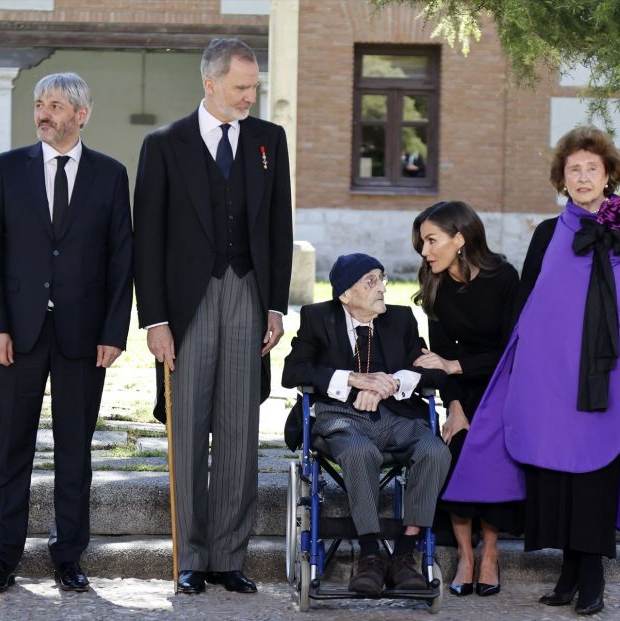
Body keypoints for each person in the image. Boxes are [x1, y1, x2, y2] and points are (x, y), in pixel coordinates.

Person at [442, 127, 620, 615]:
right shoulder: (547, 234)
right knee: (557, 471)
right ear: (562, 180)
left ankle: (592, 575)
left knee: (596, 470)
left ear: (608, 176)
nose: (583, 177)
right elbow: (524, 307)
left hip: (605, 375)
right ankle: (568, 572)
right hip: (548, 375)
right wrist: (511, 369)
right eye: (573, 170)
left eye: (592, 169)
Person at [133, 38, 293, 595]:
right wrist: (155, 320)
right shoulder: (164, 144)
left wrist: (275, 305)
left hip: (247, 293)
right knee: (186, 428)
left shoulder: (270, 140)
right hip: (187, 306)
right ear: (210, 83)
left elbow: (279, 228)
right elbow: (147, 240)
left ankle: (228, 557)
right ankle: (190, 557)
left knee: (238, 430)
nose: (250, 97)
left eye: (254, 87)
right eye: (241, 87)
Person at [0, 72, 133, 593]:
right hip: (17, 335)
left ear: (81, 115)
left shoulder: (110, 175)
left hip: (83, 337)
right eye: (39, 104)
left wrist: (113, 332)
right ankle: (3, 558)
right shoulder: (7, 168)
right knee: (11, 448)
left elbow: (121, 259)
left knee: (74, 450)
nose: (43, 114)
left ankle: (68, 556)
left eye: (55, 106)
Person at [281, 254, 451, 596]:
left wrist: (391, 382)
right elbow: (293, 371)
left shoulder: (400, 319)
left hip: (396, 417)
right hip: (341, 418)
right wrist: (354, 379)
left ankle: (404, 555)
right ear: (345, 294)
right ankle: (370, 556)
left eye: (382, 279)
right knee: (360, 452)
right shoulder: (318, 318)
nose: (382, 288)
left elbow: (431, 369)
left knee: (435, 452)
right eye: (370, 281)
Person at [411, 200, 524, 597]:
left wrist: (455, 365)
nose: (425, 252)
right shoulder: (436, 285)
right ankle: (465, 555)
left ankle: (490, 553)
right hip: (460, 390)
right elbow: (438, 359)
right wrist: (455, 408)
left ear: (459, 239)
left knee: (490, 456)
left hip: (503, 384)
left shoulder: (504, 278)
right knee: (457, 447)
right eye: (422, 243)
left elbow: (513, 350)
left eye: (431, 241)